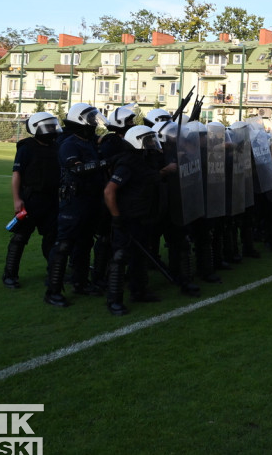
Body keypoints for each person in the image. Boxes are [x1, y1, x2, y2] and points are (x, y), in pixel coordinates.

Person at [103, 125, 177, 315]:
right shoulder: (127, 162)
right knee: (120, 258)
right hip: (127, 218)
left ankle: (139, 291)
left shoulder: (144, 160)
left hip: (142, 217)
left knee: (140, 256)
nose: (152, 143)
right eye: (148, 140)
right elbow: (109, 191)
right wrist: (117, 217)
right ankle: (114, 300)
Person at [45, 103, 107, 307]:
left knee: (85, 242)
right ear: (80, 121)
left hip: (91, 200)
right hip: (74, 201)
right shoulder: (69, 144)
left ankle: (81, 283)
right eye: (91, 120)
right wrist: (106, 162)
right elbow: (77, 169)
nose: (94, 124)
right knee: (64, 245)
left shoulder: (88, 142)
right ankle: (53, 290)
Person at [2, 112, 61, 289]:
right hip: (31, 199)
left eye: (53, 125)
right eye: (48, 126)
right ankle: (10, 275)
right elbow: (16, 175)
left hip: (51, 200)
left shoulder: (55, 147)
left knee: (53, 237)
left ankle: (53, 273)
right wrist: (17, 200)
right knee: (20, 237)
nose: (52, 129)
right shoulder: (26, 147)